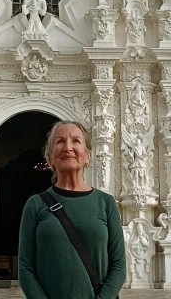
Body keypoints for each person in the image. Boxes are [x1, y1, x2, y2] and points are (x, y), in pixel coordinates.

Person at [19, 121, 126, 299]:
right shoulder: (35, 204)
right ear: (49, 156)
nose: (68, 147)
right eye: (60, 141)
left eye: (76, 141)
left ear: (88, 155)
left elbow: (119, 265)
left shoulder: (106, 203)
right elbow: (25, 268)